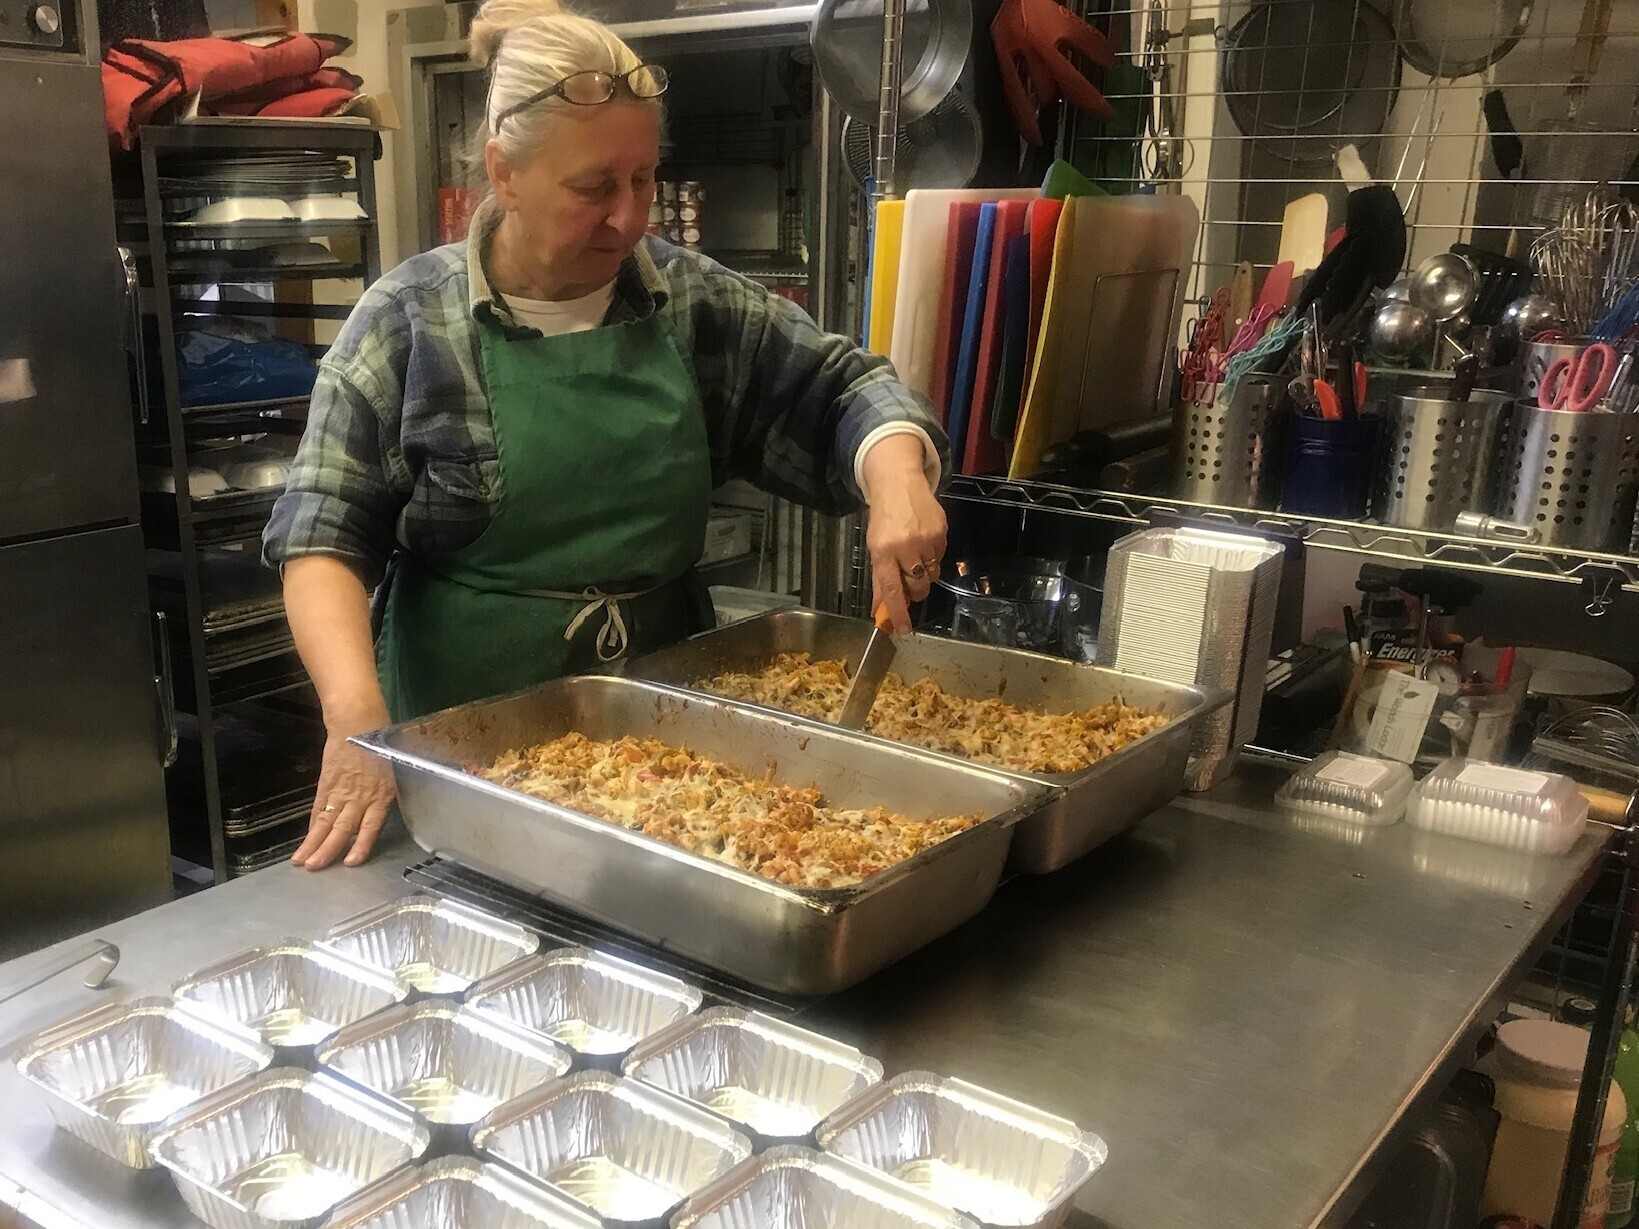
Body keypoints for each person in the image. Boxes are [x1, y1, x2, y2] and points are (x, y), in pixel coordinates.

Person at [263, 0, 950, 872]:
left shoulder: (689, 300)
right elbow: (323, 530)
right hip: (464, 764)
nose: (629, 219)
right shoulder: (407, 326)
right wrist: (354, 712)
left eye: (644, 180)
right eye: (594, 188)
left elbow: (842, 387)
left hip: (671, 767)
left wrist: (894, 471)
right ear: (504, 173)